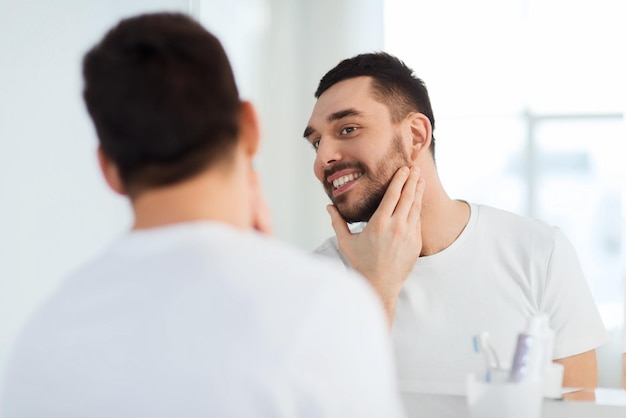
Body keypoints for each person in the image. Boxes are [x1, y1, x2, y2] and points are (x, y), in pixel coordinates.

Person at [0, 15, 410, 418]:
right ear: (250, 126)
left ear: (108, 169)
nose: (324, 157)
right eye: (317, 141)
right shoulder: (322, 309)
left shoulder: (43, 338)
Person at [303, 52, 609, 391]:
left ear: (416, 135)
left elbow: (579, 409)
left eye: (348, 129)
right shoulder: (316, 278)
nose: (322, 159)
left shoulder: (540, 253)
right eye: (316, 142)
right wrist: (377, 288)